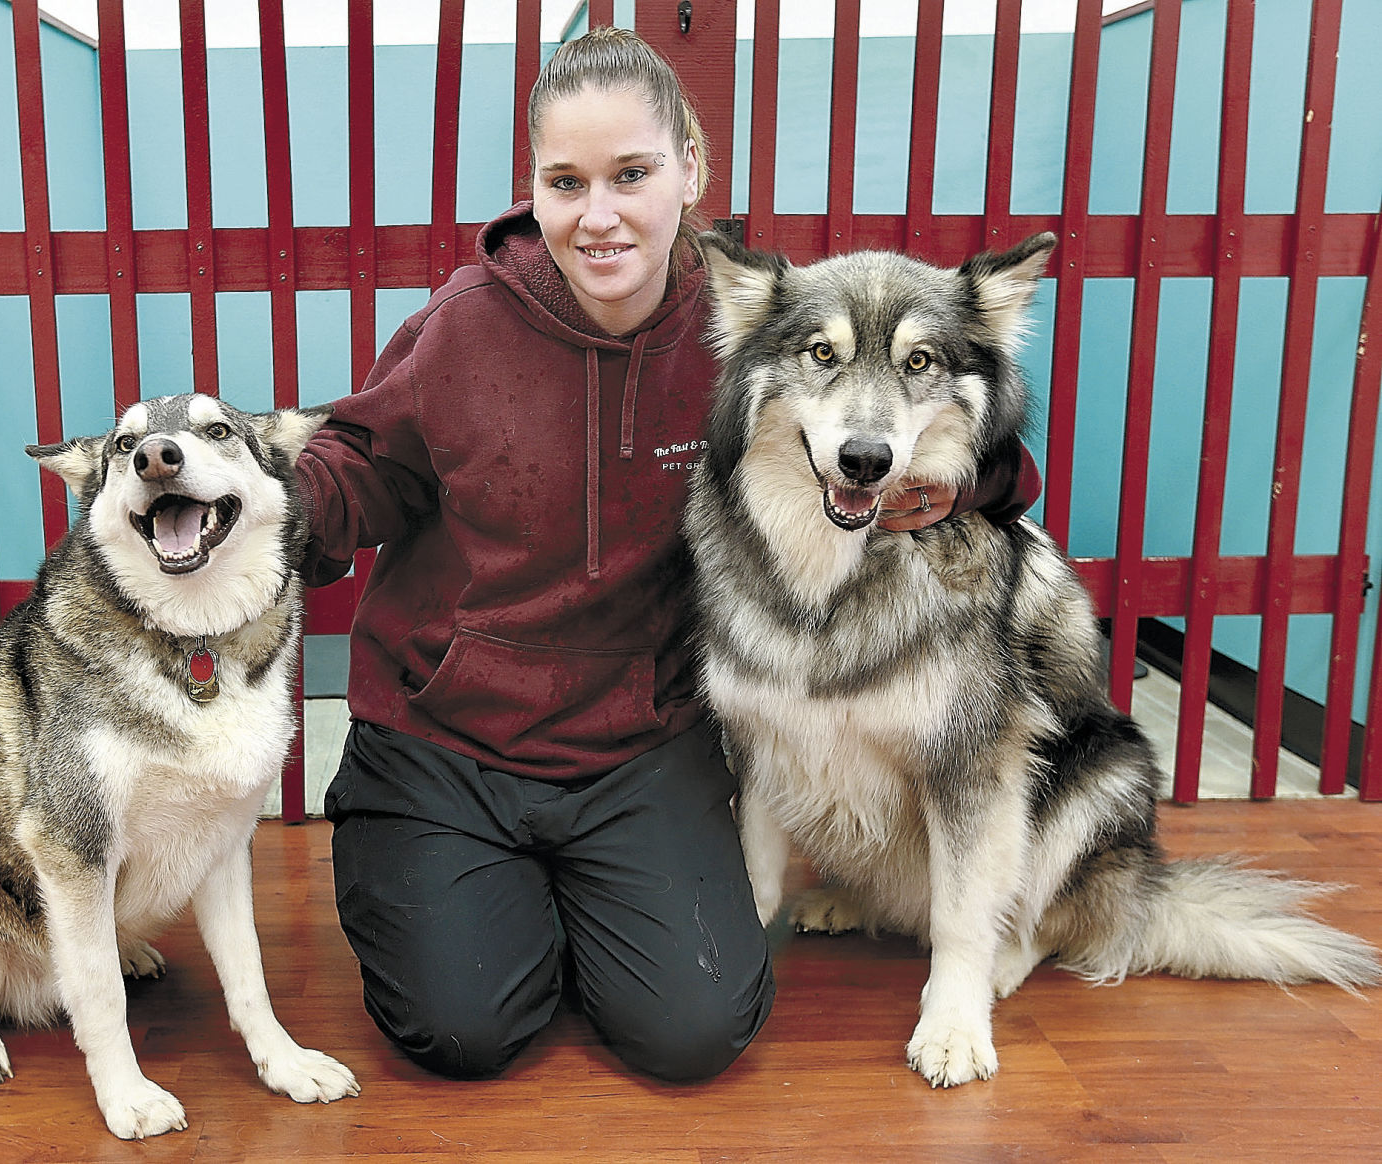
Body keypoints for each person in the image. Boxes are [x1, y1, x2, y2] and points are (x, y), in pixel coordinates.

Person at [294, 27, 1040, 1083]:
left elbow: (954, 434)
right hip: (447, 737)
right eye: (567, 181)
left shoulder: (749, 333)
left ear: (691, 166)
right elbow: (358, 465)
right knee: (463, 1031)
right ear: (537, 189)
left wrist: (967, 485)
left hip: (636, 744)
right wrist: (265, 508)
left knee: (693, 1035)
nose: (598, 215)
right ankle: (486, 890)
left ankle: (568, 894)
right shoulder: (462, 326)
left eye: (631, 174)